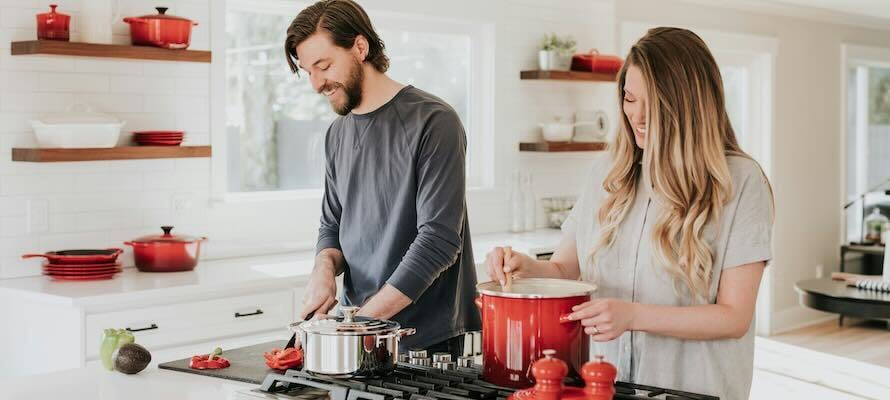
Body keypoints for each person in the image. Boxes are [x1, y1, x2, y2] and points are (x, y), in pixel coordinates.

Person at [485, 27, 774, 400]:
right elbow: (563, 271)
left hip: (692, 390)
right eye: (629, 98)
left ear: (689, 105)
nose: (636, 115)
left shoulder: (740, 182)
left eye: (651, 102)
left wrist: (634, 316)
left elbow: (734, 316)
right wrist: (525, 268)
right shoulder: (608, 173)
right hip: (605, 387)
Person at [284, 0, 480, 355]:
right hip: (356, 328)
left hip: (425, 341)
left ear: (360, 47)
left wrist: (360, 325)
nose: (316, 83)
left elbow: (439, 241)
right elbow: (332, 226)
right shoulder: (337, 133)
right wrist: (323, 271)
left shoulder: (434, 121)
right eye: (307, 71)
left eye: (323, 66)